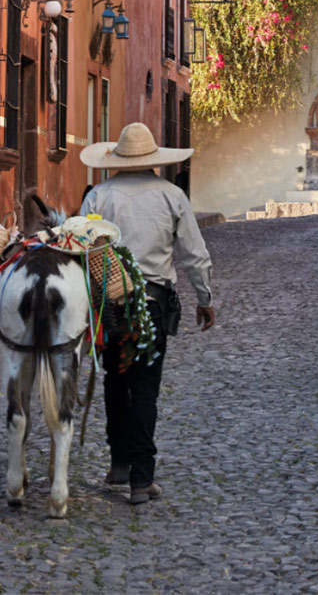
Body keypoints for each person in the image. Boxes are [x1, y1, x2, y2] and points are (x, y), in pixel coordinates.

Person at [79, 120, 215, 506]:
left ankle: (119, 463)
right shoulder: (172, 195)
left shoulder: (98, 197)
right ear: (154, 159)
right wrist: (205, 298)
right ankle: (142, 478)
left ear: (119, 158)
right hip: (152, 304)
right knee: (144, 388)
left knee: (114, 382)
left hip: (108, 304)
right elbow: (194, 252)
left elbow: (82, 249)